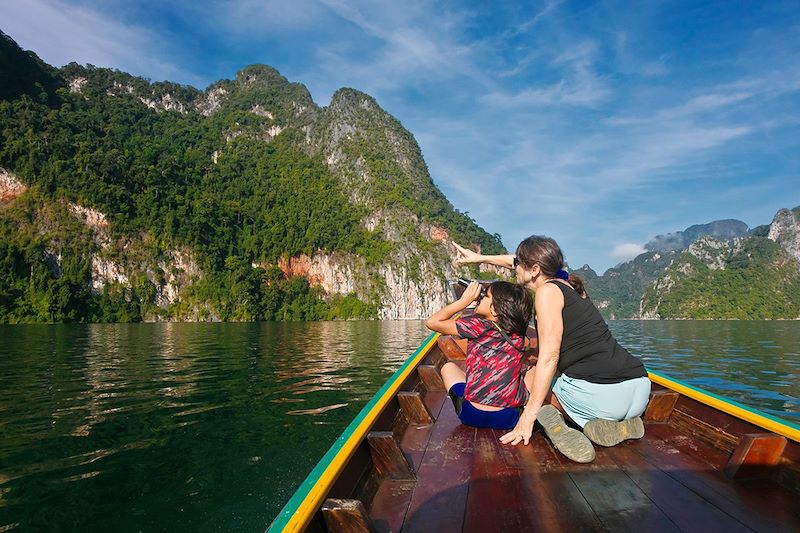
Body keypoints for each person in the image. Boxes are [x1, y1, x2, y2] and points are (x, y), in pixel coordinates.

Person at [453, 236, 650, 463]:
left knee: (528, 382)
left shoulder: (547, 292)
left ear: (535, 269)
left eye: (520, 264)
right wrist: (479, 258)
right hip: (638, 389)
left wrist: (528, 416)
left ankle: (557, 420)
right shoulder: (571, 285)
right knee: (547, 372)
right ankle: (621, 424)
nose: (515, 268)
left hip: (603, 399)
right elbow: (516, 262)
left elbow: (550, 357)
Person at [425, 280, 534, 429]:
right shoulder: (520, 334)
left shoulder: (476, 325)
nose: (480, 298)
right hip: (509, 418)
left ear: (495, 310)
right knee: (535, 370)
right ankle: (534, 409)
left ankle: (468, 398)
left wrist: (463, 302)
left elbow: (432, 322)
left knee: (448, 367)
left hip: (470, 415)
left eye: (485, 296)